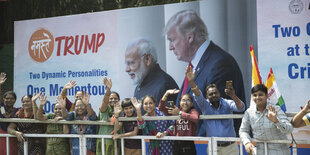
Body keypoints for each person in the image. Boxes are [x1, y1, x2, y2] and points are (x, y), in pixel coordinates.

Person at [164, 10, 245, 136]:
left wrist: (198, 145)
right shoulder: (197, 64)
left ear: (190, 37)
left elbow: (217, 117)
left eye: (173, 40)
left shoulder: (220, 64)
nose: (170, 47)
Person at [186, 66, 244, 154]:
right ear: (207, 97)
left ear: (219, 93)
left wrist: (233, 96)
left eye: (215, 93)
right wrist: (191, 82)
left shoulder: (227, 103)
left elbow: (241, 108)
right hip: (213, 147)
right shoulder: (204, 105)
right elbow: (198, 94)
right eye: (210, 94)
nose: (213, 95)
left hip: (231, 147)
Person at [239, 84, 293, 155]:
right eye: (255, 95)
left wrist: (276, 121)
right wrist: (247, 142)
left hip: (279, 151)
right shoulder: (249, 112)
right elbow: (243, 130)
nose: (257, 97)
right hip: (260, 151)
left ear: (267, 96)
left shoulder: (276, 109)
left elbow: (289, 129)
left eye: (260, 95)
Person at [125, 38, 179, 107]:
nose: (127, 69)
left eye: (131, 63)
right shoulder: (141, 84)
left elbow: (171, 115)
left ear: (147, 59)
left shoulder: (165, 85)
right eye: (127, 63)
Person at [158, 89, 198, 155]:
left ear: (191, 104)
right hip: (177, 143)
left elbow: (195, 118)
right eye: (183, 100)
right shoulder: (176, 111)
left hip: (188, 144)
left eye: (188, 100)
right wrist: (166, 93)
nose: (185, 103)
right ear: (179, 103)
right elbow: (161, 108)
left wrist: (179, 113)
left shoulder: (192, 111)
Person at [96, 77, 120, 155]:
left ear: (119, 100)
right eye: (111, 98)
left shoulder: (121, 110)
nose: (113, 100)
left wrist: (114, 118)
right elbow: (104, 102)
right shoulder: (104, 109)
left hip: (116, 141)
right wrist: (108, 90)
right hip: (103, 141)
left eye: (115, 98)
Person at [0, 72, 18, 155]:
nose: (9, 100)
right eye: (7, 98)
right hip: (1, 135)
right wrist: (0, 85)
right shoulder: (2, 108)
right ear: (3, 99)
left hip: (12, 136)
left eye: (11, 98)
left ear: (15, 100)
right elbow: (4, 114)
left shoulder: (18, 110)